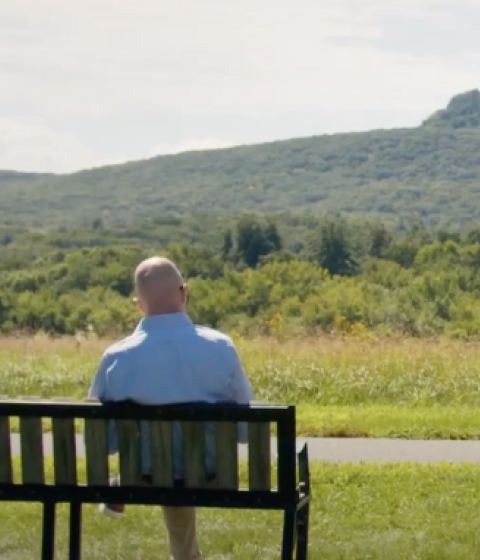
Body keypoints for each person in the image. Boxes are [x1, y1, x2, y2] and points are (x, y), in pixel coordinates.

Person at [87, 256, 253, 560]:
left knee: (162, 463)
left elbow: (105, 440)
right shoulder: (220, 346)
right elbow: (243, 431)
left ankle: (120, 488)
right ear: (184, 292)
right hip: (212, 474)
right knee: (183, 464)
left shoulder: (116, 357)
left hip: (145, 473)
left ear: (139, 304)